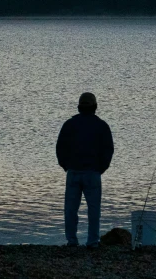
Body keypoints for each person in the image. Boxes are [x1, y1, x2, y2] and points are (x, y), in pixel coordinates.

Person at [55, 92, 114, 248]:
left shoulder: (69, 125)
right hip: (93, 173)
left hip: (73, 172)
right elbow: (108, 150)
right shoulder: (102, 126)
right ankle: (92, 242)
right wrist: (101, 168)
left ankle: (72, 241)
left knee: (70, 210)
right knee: (94, 211)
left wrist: (66, 166)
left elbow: (60, 148)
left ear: (79, 107)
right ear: (95, 107)